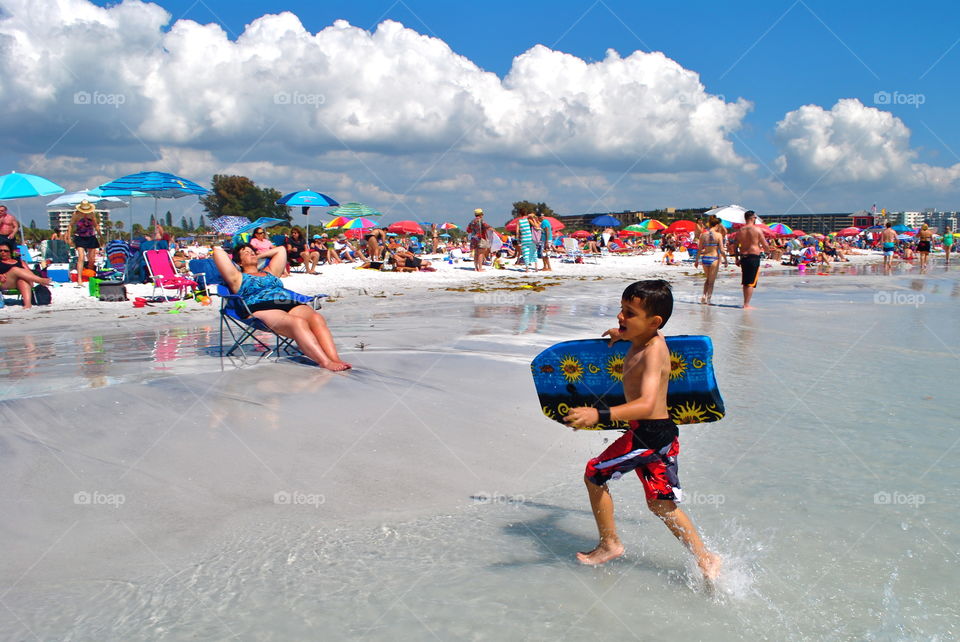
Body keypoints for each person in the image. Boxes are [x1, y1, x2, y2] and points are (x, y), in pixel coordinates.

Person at [564, 280, 721, 580]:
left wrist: (600, 414)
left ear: (654, 322)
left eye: (629, 313)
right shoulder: (641, 340)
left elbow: (648, 403)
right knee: (661, 504)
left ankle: (610, 543)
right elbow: (638, 340)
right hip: (660, 436)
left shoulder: (653, 352)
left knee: (594, 474)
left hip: (647, 434)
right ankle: (706, 558)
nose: (620, 317)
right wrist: (620, 336)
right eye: (621, 310)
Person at [212, 243, 351, 371]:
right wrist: (234, 257)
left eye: (253, 251)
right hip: (261, 307)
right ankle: (325, 362)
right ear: (239, 262)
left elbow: (281, 250)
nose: (252, 253)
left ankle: (335, 358)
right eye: (246, 253)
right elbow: (217, 252)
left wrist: (257, 255)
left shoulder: (270, 272)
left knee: (316, 318)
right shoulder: (237, 277)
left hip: (287, 302)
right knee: (297, 322)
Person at [733, 210, 769, 309]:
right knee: (751, 282)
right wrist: (768, 251)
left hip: (743, 257)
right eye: (755, 218)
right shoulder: (757, 230)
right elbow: (765, 244)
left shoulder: (740, 231)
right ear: (752, 218)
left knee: (745, 281)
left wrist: (736, 258)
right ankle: (746, 304)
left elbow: (735, 245)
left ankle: (746, 302)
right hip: (753, 257)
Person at [0, 241, 53, 309]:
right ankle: (40, 280)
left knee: (22, 280)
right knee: (15, 269)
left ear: (10, 251)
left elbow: (28, 271)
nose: (3, 252)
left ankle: (27, 304)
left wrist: (28, 278)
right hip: (4, 282)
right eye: (0, 251)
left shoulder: (19, 261)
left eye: (5, 251)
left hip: (20, 282)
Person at [694, 215, 727, 304]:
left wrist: (696, 260)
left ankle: (704, 296)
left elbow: (699, 249)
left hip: (705, 258)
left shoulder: (703, 235)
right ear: (716, 225)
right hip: (714, 258)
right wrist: (725, 260)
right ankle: (708, 299)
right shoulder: (718, 235)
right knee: (711, 282)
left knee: (707, 279)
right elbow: (722, 250)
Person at [68, 200, 101, 286]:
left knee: (91, 259)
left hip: (91, 236)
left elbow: (95, 225)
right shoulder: (76, 214)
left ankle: (90, 276)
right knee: (81, 257)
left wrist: (101, 236)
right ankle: (79, 279)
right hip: (80, 237)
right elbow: (71, 225)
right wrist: (68, 237)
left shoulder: (91, 214)